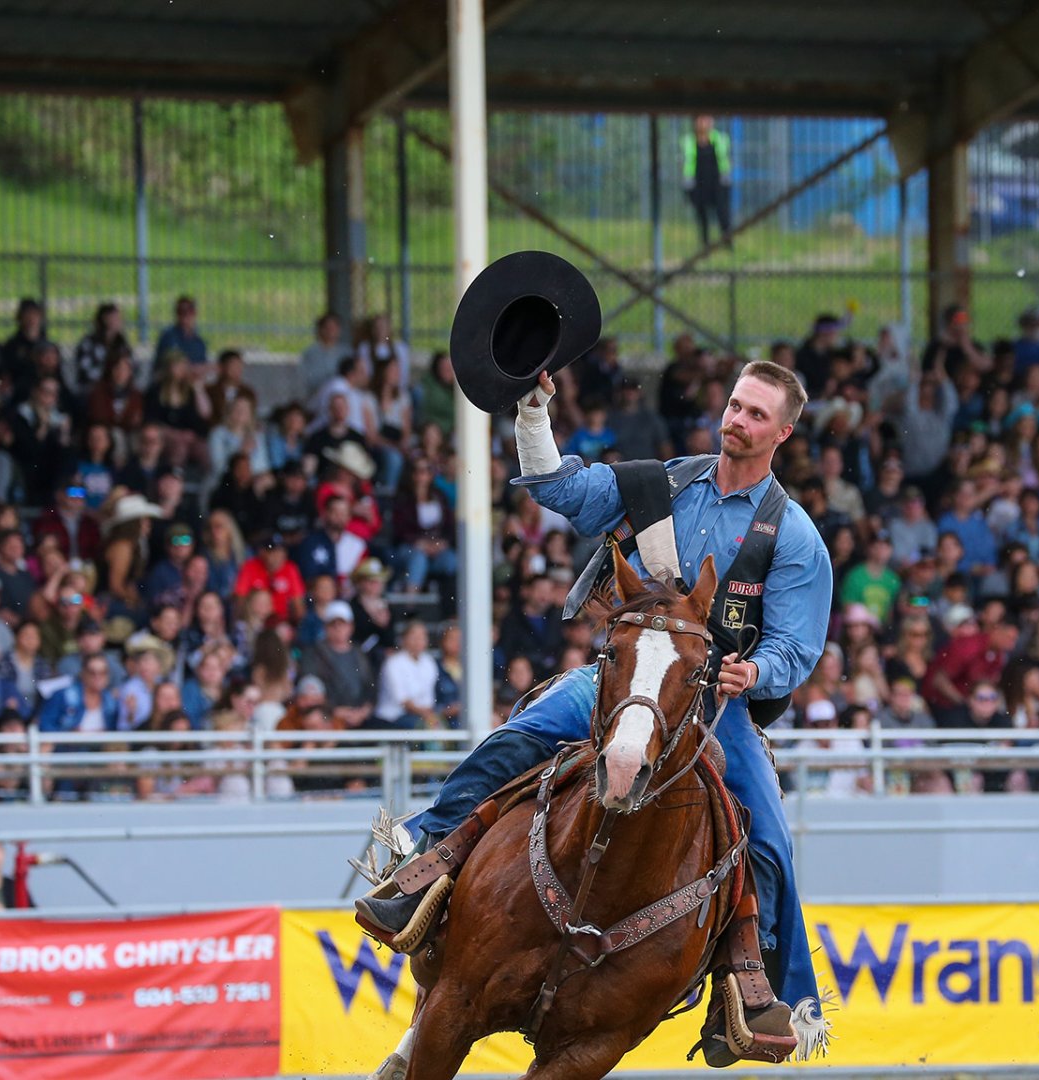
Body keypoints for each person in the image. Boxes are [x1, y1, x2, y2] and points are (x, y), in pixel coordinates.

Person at [357, 359, 833, 1060]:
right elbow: (560, 487)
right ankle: (424, 865)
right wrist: (532, 415)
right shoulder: (661, 484)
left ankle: (759, 996)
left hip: (712, 697)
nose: (738, 420)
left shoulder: (792, 536)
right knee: (514, 741)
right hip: (627, 673)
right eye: (735, 405)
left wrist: (754, 668)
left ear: (782, 431)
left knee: (768, 841)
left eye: (757, 414)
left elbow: (798, 646)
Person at [682, 114, 733, 248]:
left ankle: (727, 242)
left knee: (723, 213)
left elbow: (725, 161)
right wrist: (688, 184)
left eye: (707, 119)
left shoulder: (720, 139)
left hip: (718, 182)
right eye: (700, 119)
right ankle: (705, 245)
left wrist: (726, 180)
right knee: (701, 214)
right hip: (698, 182)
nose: (704, 123)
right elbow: (687, 164)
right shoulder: (689, 141)